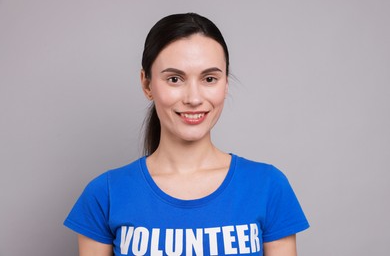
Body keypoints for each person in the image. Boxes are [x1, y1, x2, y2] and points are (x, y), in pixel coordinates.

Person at [64, 13, 309, 256]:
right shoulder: (104, 194)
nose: (193, 98)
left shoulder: (268, 186)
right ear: (146, 84)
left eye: (209, 78)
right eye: (174, 79)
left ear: (225, 84)